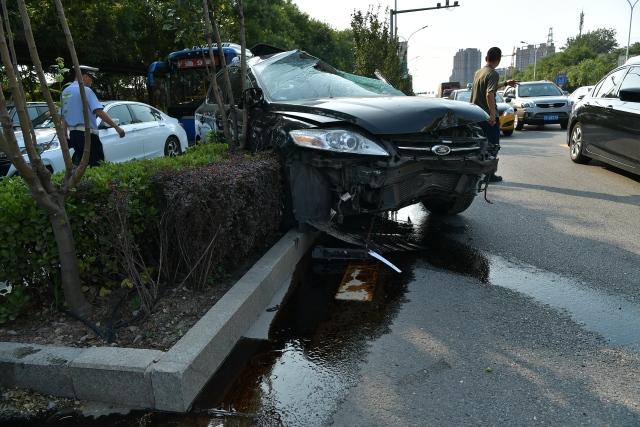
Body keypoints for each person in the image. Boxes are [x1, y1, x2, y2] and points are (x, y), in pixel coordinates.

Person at [60, 65, 125, 166]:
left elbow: (63, 117)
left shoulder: (65, 92)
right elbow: (99, 112)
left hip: (74, 136)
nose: (91, 81)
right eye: (91, 77)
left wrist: (64, 136)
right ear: (84, 76)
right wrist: (117, 127)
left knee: (82, 167)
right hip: (88, 135)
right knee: (97, 166)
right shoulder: (86, 90)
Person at [470, 47, 516, 183]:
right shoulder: (493, 73)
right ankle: (489, 175)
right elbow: (489, 93)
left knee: (479, 146)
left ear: (486, 58)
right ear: (499, 59)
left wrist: (506, 83)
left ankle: (477, 173)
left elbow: (488, 87)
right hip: (487, 117)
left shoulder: (479, 72)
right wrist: (491, 115)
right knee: (492, 145)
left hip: (475, 115)